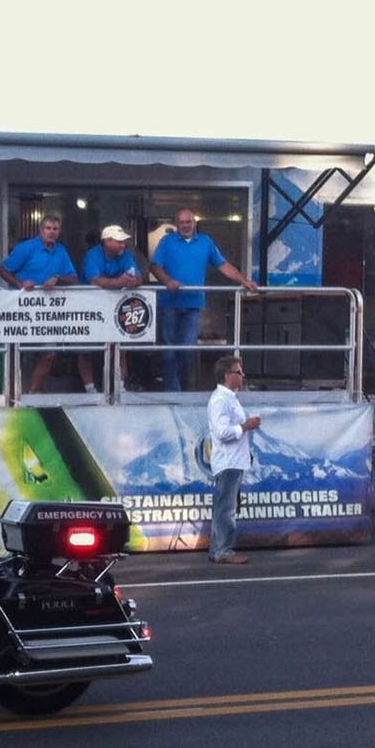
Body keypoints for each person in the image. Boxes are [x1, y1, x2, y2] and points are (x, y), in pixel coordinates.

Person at [149, 209, 258, 392]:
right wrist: (168, 281)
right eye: (182, 222)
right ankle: (173, 392)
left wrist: (244, 281)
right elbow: (155, 267)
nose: (185, 225)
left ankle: (184, 390)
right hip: (169, 304)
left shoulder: (206, 242)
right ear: (176, 224)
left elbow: (223, 265)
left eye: (188, 222)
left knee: (187, 352)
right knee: (168, 350)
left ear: (194, 223)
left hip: (193, 304)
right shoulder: (167, 242)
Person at [0, 213, 77, 394]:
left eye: (55, 229)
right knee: (16, 353)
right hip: (22, 309)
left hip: (48, 312)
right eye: (48, 228)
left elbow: (73, 279)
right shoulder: (26, 248)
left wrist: (57, 279)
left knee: (48, 354)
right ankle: (12, 394)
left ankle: (33, 393)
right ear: (41, 230)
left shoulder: (61, 251)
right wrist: (20, 284)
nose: (52, 232)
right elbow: (1, 269)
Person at [206, 354, 261, 565]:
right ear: (228, 376)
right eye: (239, 372)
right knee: (226, 509)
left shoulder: (229, 398)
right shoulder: (221, 400)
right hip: (228, 462)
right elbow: (222, 432)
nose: (243, 376)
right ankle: (222, 550)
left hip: (234, 461)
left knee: (227, 507)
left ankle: (219, 548)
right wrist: (246, 426)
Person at [76, 224, 142, 393]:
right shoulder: (93, 255)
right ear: (107, 242)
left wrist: (134, 281)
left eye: (123, 242)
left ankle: (120, 386)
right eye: (119, 242)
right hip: (89, 306)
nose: (122, 245)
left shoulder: (125, 254)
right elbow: (96, 281)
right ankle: (90, 388)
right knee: (86, 350)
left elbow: (138, 276)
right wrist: (120, 282)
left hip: (115, 306)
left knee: (119, 346)